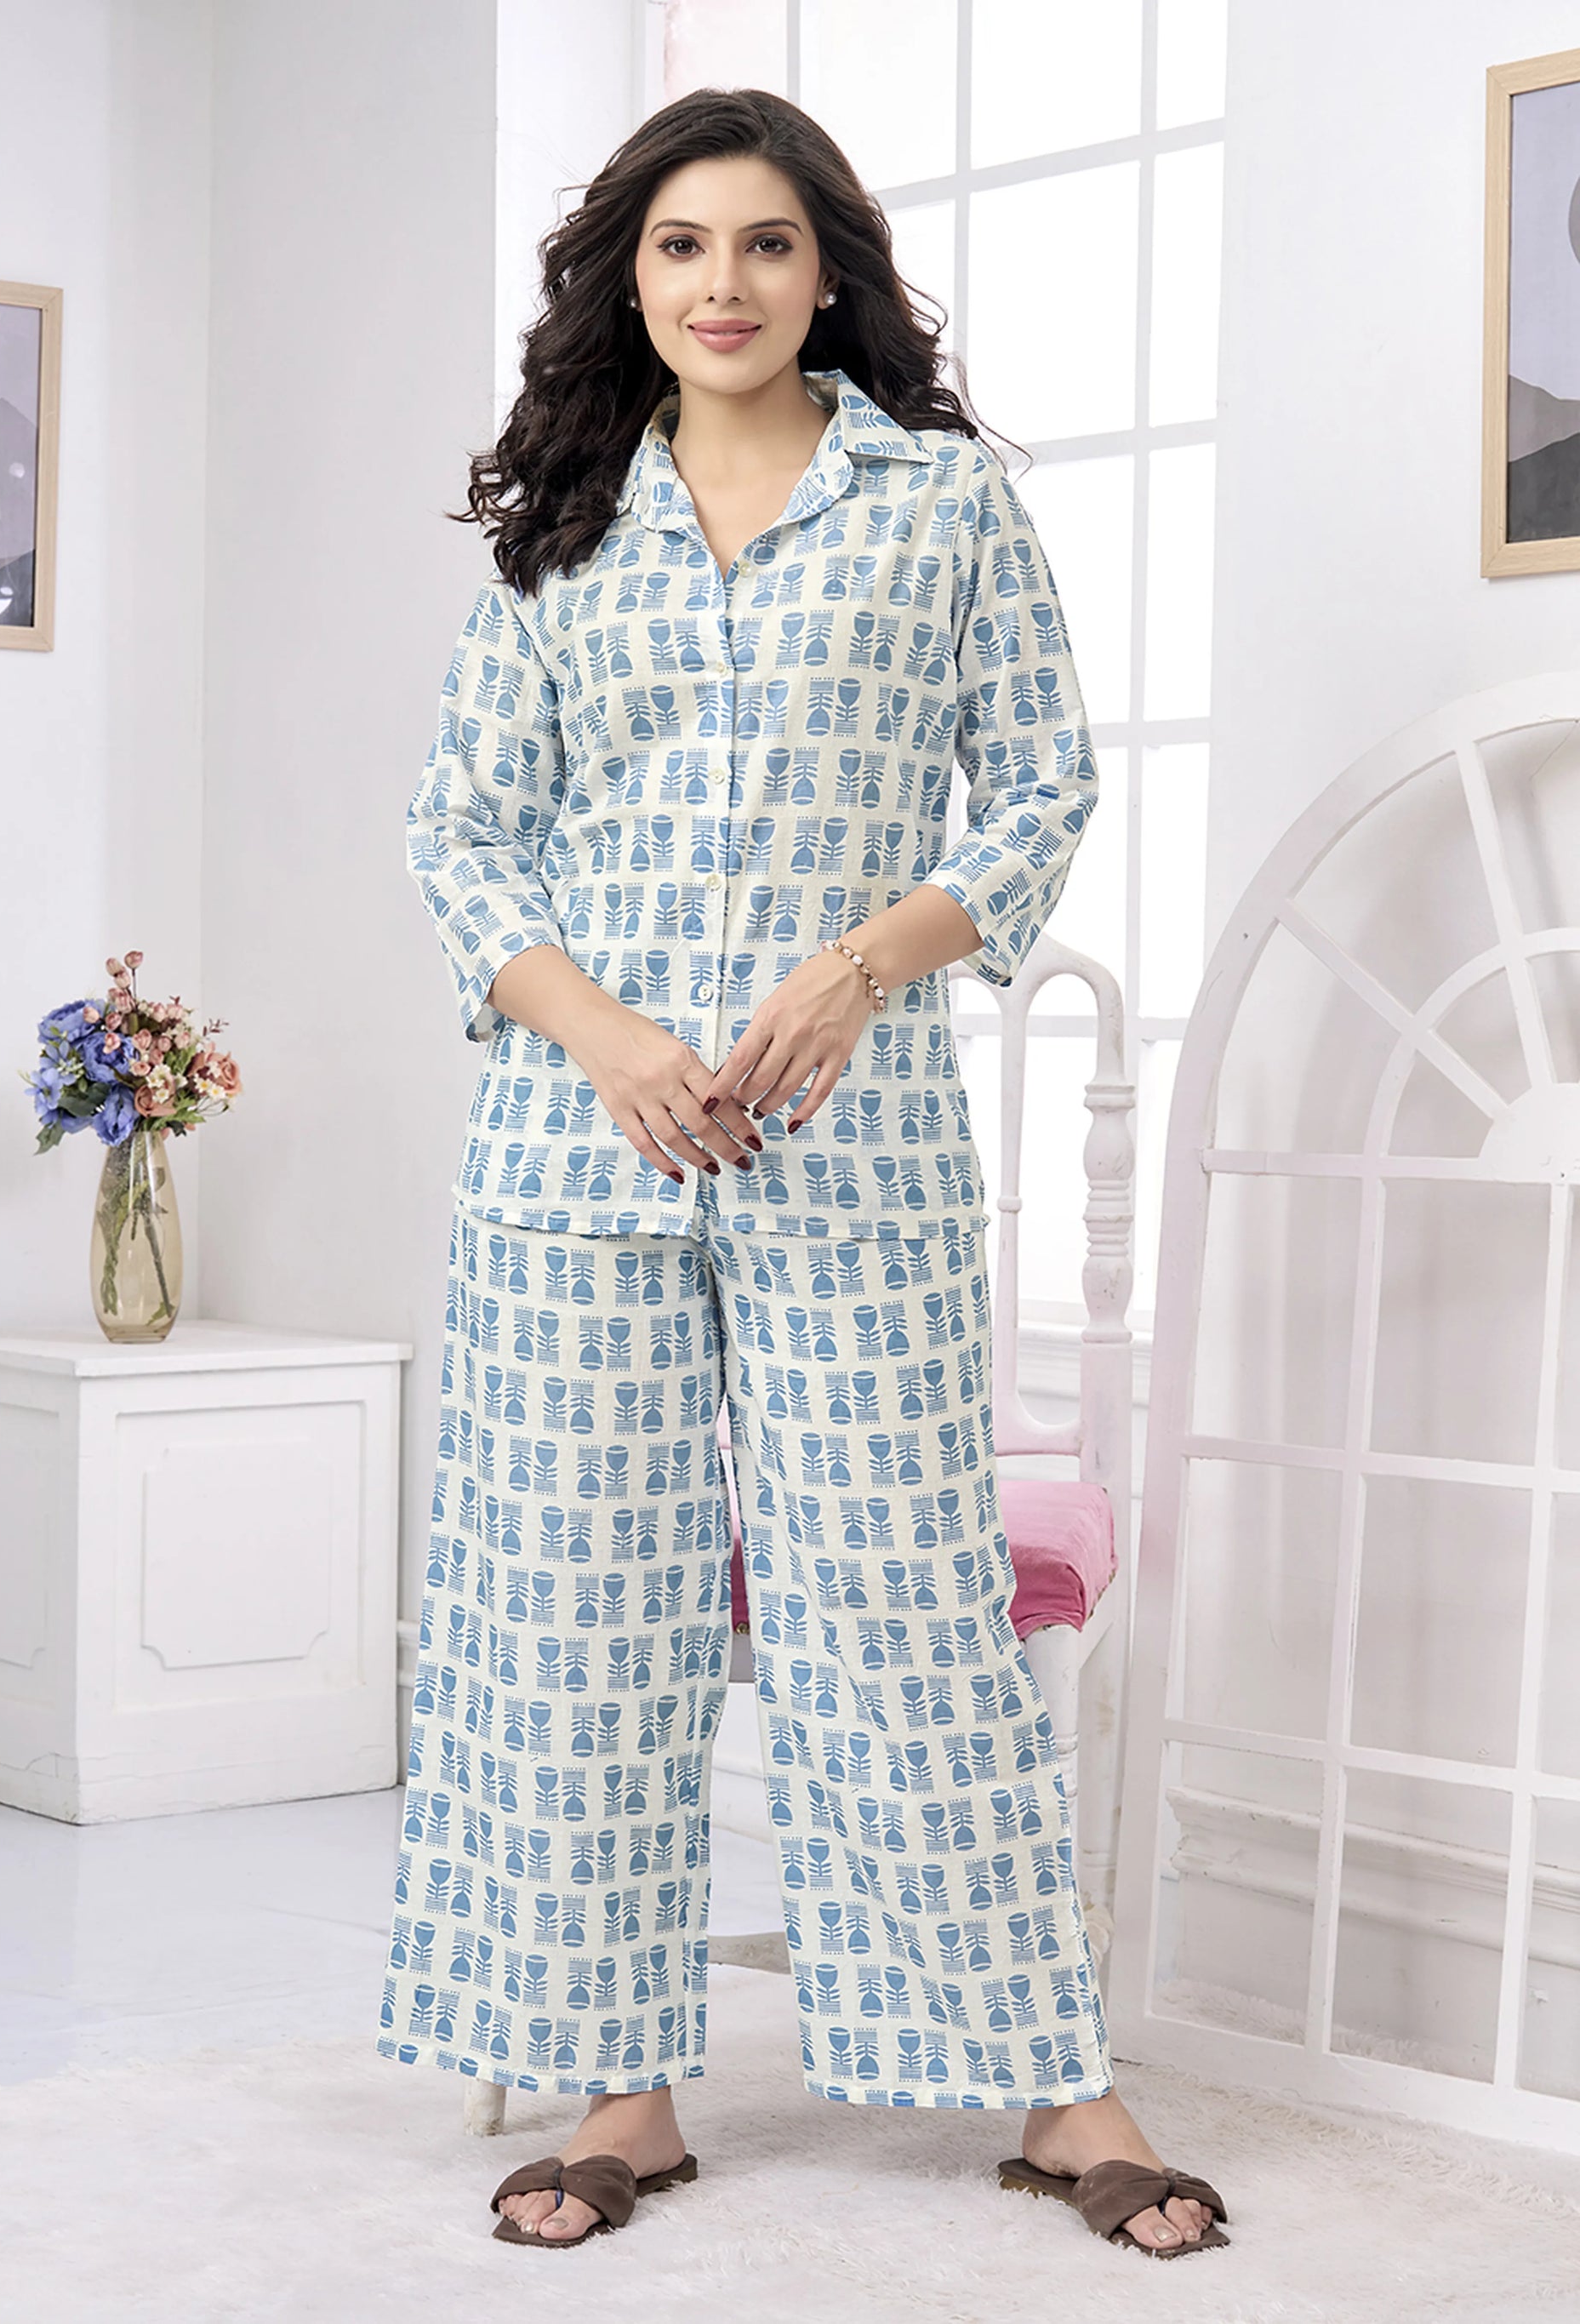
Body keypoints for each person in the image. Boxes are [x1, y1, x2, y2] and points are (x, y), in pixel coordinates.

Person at [379, 86, 1230, 2264]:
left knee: (903, 1606)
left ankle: (1057, 2084)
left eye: (765, 242)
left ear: (825, 267)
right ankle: (622, 2091)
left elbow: (1035, 790)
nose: (724, 283)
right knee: (575, 1619)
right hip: (573, 1165)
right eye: (681, 245)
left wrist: (859, 971)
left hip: (857, 1160)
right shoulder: (570, 529)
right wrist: (608, 1040)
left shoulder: (940, 506)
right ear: (631, 277)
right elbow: (461, 835)